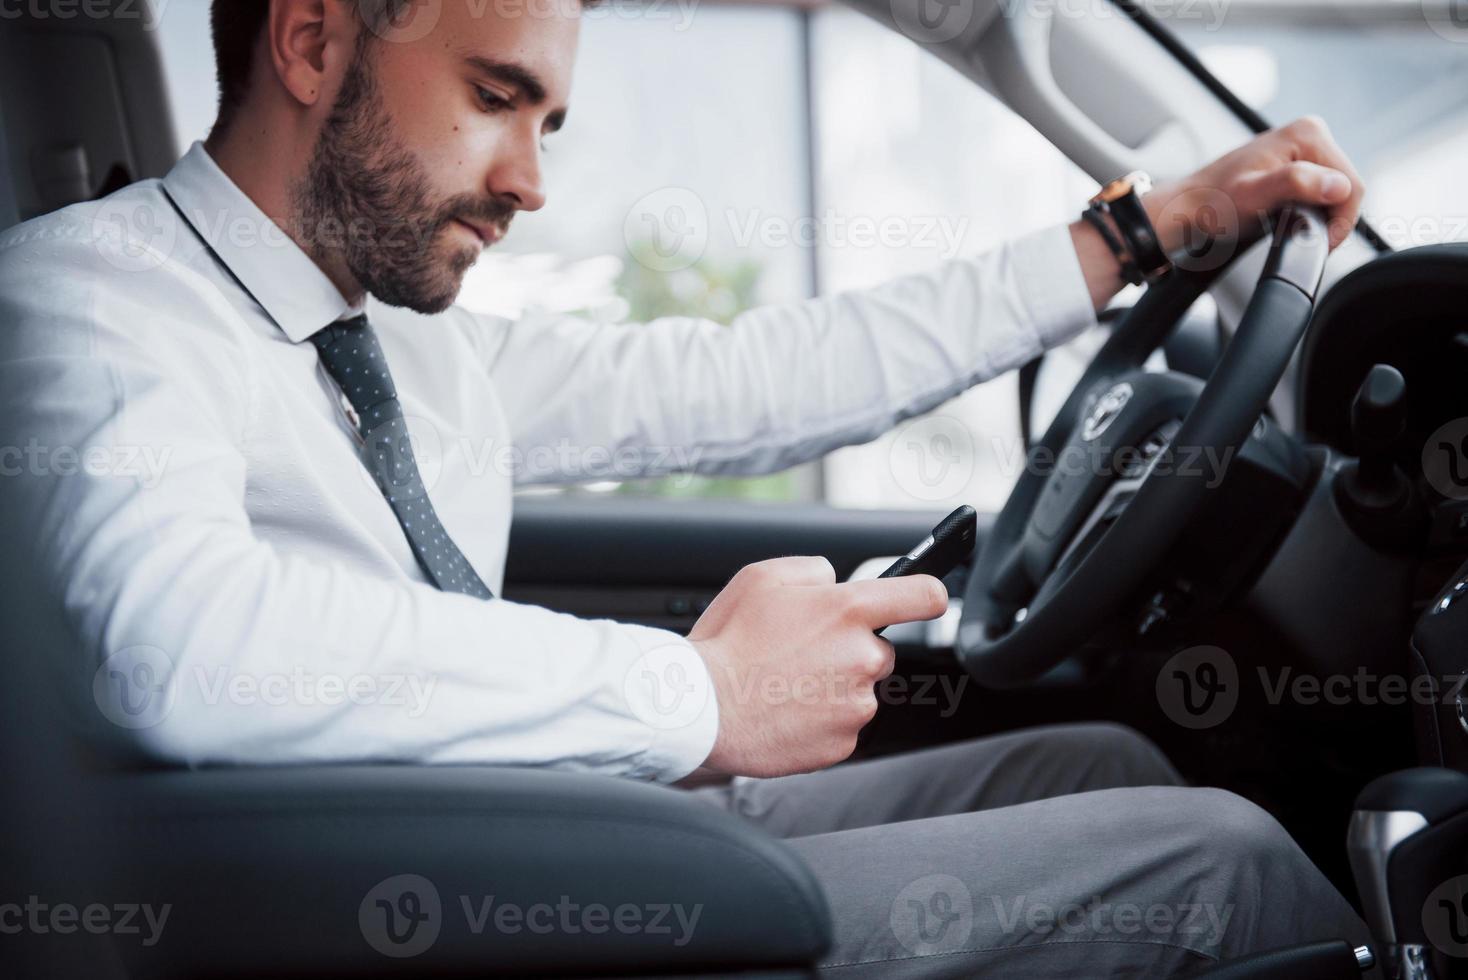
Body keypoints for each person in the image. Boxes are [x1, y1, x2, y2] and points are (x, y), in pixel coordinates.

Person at [0, 1, 1373, 975]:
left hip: (536, 821)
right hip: (423, 901)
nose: (532, 180)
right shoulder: (87, 299)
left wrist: (1139, 232)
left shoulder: (410, 344)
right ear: (313, 40)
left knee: (1104, 760)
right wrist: (698, 695)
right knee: (1227, 859)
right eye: (494, 96)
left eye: (550, 120)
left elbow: (750, 377)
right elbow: (164, 646)